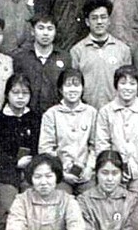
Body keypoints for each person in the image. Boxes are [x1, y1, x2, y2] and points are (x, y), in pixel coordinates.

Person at [95, 65, 138, 193]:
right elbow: (102, 144)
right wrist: (115, 169)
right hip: (113, 173)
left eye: (132, 84)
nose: (127, 88)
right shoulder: (105, 111)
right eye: (123, 83)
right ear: (116, 85)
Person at [39, 68, 98, 196]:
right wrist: (61, 172)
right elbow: (45, 149)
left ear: (82, 88)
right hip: (61, 175)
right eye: (68, 85)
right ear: (61, 89)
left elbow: (95, 145)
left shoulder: (91, 113)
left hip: (86, 174)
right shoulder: (51, 114)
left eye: (76, 85)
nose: (72, 90)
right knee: (62, 198)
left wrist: (89, 168)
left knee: (91, 198)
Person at [70, 0, 132, 110]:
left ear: (109, 21)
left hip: (116, 111)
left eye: (103, 17)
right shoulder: (77, 51)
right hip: (86, 112)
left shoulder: (123, 50)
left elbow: (128, 84)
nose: (99, 22)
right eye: (94, 18)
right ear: (87, 22)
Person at [0, 74, 41, 210]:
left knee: (34, 205)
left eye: (25, 93)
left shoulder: (35, 119)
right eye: (15, 92)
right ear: (7, 94)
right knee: (10, 207)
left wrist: (31, 163)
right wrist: (15, 163)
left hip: (32, 173)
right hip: (6, 175)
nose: (20, 97)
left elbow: (40, 148)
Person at [13, 13, 72, 115]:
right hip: (26, 115)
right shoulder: (21, 57)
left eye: (50, 29)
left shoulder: (64, 58)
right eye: (41, 28)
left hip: (56, 115)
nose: (45, 33)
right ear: (32, 31)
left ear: (55, 32)